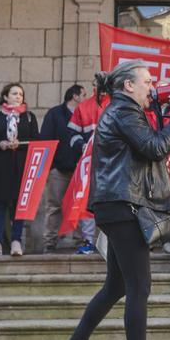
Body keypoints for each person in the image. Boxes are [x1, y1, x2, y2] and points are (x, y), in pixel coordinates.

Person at [51, 59, 170, 340]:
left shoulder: (124, 111)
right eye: (147, 82)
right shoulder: (124, 111)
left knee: (116, 286)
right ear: (129, 85)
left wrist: (169, 120)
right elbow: (154, 148)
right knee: (140, 287)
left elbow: (147, 147)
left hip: (118, 205)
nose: (152, 87)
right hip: (125, 205)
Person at [0, 83, 39, 257]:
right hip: (1, 166)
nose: (18, 97)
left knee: (19, 204)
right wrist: (0, 144)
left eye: (20, 94)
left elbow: (36, 141)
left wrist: (20, 144)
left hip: (21, 166)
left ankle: (16, 241)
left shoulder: (29, 117)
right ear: (5, 96)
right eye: (14, 93)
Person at [40, 84, 87, 252]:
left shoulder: (84, 114)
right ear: (75, 96)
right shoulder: (54, 114)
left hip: (79, 170)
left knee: (80, 206)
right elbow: (45, 139)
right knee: (54, 206)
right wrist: (51, 167)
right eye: (83, 94)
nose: (85, 98)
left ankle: (79, 241)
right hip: (58, 170)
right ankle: (49, 243)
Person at [67, 80, 111, 254]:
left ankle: (108, 242)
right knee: (86, 202)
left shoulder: (117, 105)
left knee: (111, 202)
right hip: (89, 163)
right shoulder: (83, 107)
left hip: (113, 163)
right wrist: (82, 146)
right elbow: (72, 134)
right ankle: (88, 240)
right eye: (97, 84)